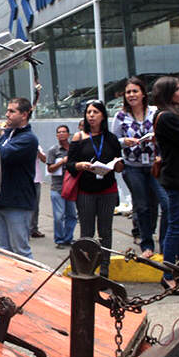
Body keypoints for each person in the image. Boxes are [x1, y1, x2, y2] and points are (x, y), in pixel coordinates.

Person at [111, 77, 168, 259]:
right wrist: (123, 142)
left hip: (154, 165)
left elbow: (166, 135)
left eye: (135, 91)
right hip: (133, 167)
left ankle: (166, 242)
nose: (132, 95)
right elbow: (113, 141)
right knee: (142, 206)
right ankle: (146, 244)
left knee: (164, 204)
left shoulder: (155, 112)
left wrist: (156, 139)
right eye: (128, 92)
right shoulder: (120, 116)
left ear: (143, 93)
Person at [66, 100, 124, 277]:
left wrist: (116, 165)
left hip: (107, 190)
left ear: (103, 116)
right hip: (86, 191)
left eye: (95, 112)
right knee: (87, 232)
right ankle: (87, 267)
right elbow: (69, 164)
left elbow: (120, 164)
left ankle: (104, 268)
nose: (91, 115)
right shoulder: (78, 137)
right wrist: (80, 165)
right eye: (89, 112)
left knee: (105, 231)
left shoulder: (111, 138)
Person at [151, 76, 179, 289]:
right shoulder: (166, 117)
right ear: (169, 93)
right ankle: (168, 274)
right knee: (177, 228)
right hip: (178, 180)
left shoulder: (176, 115)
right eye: (178, 89)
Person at [0, 98, 38, 258]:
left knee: (21, 251)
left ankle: (30, 282)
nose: (6, 114)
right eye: (7, 110)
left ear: (24, 115)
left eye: (11, 111)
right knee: (1, 249)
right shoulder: (9, 135)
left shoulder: (28, 139)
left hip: (17, 203)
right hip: (0, 200)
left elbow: (1, 153)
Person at [47, 125, 77, 249]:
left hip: (71, 186)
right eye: (59, 132)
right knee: (59, 216)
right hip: (57, 187)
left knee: (72, 215)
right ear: (56, 135)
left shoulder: (74, 149)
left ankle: (68, 238)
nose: (61, 134)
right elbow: (49, 168)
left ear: (68, 134)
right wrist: (61, 162)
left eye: (64, 132)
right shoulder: (53, 150)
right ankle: (59, 239)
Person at [30, 146, 46, 238]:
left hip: (36, 180)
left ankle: (33, 229)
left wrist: (37, 151)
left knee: (35, 206)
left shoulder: (36, 145)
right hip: (24, 180)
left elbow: (44, 159)